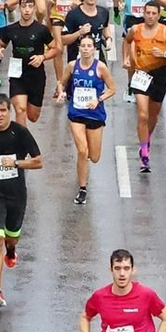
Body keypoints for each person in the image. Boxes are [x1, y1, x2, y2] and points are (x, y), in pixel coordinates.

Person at [0, 89, 43, 304]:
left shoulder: (20, 133)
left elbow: (38, 161)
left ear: (9, 112)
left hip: (16, 195)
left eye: (3, 110)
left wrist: (16, 163)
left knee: (10, 238)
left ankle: (11, 251)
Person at [124, 0, 166, 173]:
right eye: (147, 13)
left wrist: (165, 54)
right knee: (142, 114)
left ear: (158, 15)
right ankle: (145, 154)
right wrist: (126, 57)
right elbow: (127, 40)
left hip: (159, 74)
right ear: (143, 13)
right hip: (141, 74)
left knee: (153, 115)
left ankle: (146, 141)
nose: (150, 16)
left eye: (154, 14)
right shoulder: (136, 29)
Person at [62, 28, 111, 206]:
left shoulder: (100, 67)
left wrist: (98, 99)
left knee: (94, 156)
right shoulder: (71, 66)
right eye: (83, 46)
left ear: (94, 48)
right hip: (76, 113)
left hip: (95, 114)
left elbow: (112, 89)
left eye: (89, 46)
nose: (86, 49)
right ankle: (82, 189)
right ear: (79, 48)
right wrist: (60, 92)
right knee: (82, 151)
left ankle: (84, 166)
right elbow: (62, 82)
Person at [2, 0, 53, 128]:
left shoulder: (41, 30)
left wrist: (42, 57)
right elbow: (0, 45)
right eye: (24, 6)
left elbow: (55, 49)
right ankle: (22, 145)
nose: (27, 10)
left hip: (36, 75)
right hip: (17, 73)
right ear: (19, 8)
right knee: (20, 109)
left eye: (30, 7)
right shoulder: (11, 29)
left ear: (35, 9)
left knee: (33, 116)